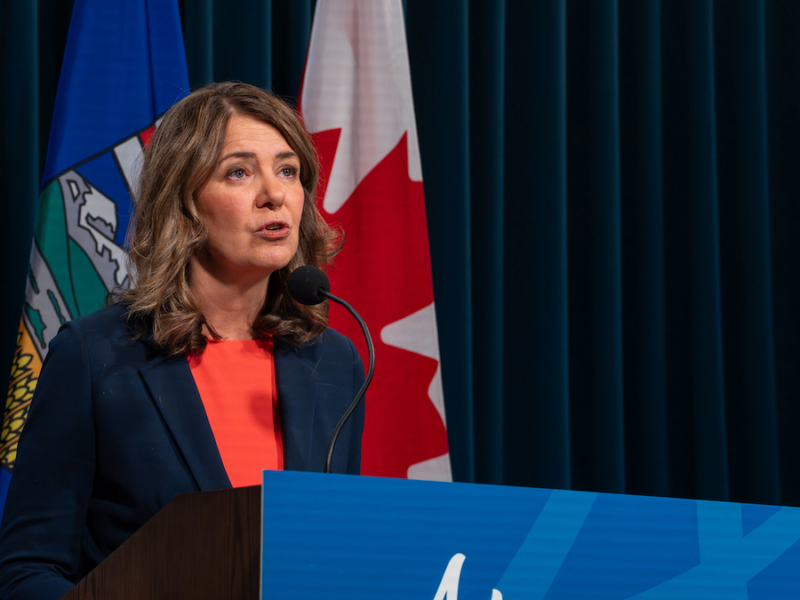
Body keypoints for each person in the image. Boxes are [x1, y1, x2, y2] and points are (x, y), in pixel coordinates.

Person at [0, 82, 365, 600]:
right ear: (185, 202)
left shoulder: (332, 362)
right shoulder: (94, 356)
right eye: (238, 172)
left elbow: (335, 557)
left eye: (288, 170)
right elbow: (28, 572)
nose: (275, 194)